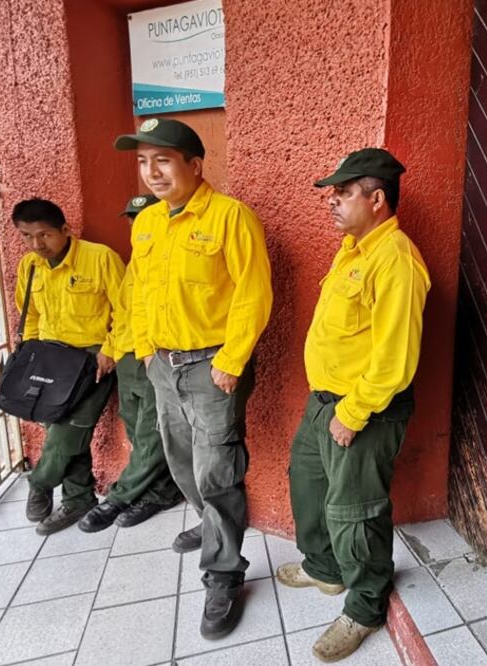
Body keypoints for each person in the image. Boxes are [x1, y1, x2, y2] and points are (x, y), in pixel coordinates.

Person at [114, 119, 272, 639]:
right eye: (143, 162)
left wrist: (232, 359)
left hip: (212, 365)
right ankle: (211, 525)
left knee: (216, 469)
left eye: (162, 160)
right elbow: (138, 289)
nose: (152, 172)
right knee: (181, 458)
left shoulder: (230, 217)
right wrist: (144, 348)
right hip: (163, 363)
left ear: (195, 165)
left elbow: (253, 293)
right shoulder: (147, 223)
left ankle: (223, 572)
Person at [276, 148, 430, 662]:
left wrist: (352, 412)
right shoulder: (354, 250)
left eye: (343, 193)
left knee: (355, 512)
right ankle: (325, 569)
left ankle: (365, 607)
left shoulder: (396, 259)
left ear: (377, 199)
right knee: (308, 483)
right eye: (333, 193)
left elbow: (395, 360)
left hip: (363, 409)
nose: (332, 201)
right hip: (325, 401)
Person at [14, 198, 124, 535]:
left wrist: (110, 350)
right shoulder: (30, 266)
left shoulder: (100, 258)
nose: (36, 244)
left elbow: (127, 309)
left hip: (92, 358)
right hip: (50, 359)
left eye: (44, 235)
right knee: (60, 429)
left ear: (65, 229)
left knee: (71, 428)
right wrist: (30, 356)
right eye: (26, 236)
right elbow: (30, 315)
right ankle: (78, 499)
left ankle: (40, 481)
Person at [78, 193, 184, 532]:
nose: (138, 226)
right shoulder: (135, 264)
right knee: (137, 425)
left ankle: (120, 496)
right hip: (126, 355)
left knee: (153, 430)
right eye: (132, 220)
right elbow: (123, 314)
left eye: (144, 218)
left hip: (152, 356)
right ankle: (161, 491)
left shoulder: (170, 262)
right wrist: (110, 349)